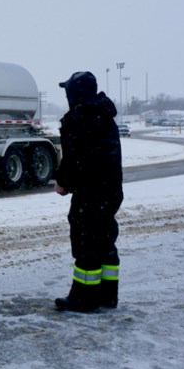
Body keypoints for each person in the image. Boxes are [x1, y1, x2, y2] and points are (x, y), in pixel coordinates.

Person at [54, 71, 123, 312]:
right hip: (111, 191)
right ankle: (108, 296)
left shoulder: (78, 118)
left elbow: (74, 159)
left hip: (90, 192)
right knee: (105, 242)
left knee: (86, 245)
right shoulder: (105, 115)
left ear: (76, 93)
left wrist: (62, 183)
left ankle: (84, 299)